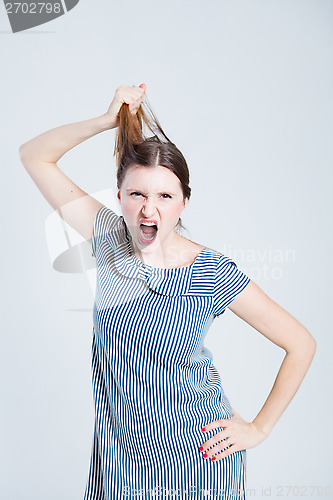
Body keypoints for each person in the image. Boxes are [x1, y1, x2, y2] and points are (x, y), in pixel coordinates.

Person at [19, 84, 317, 500]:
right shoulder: (109, 239)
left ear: (184, 202)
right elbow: (34, 155)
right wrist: (106, 122)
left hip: (199, 460)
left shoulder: (210, 272)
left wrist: (259, 428)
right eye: (136, 193)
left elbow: (301, 343)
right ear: (119, 195)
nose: (148, 208)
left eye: (164, 195)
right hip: (119, 460)